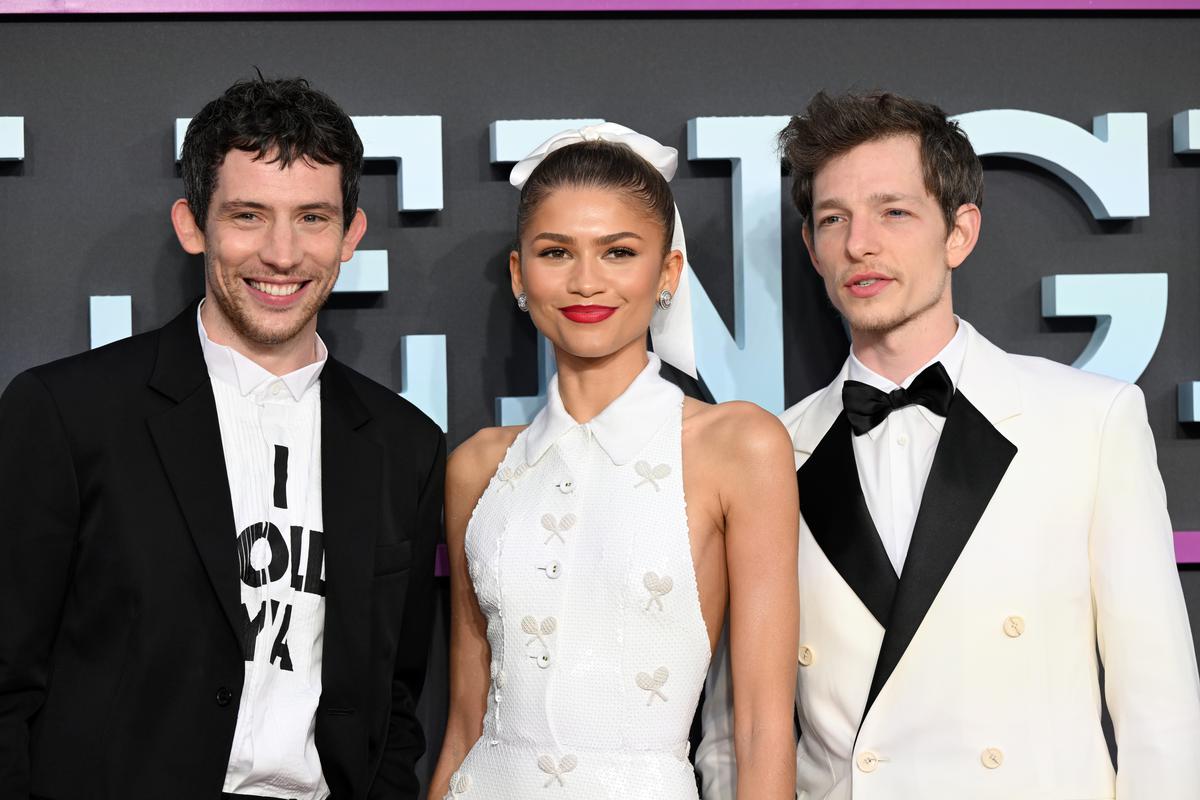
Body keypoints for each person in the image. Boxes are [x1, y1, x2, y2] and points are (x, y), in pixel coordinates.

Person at [696, 90, 1200, 799]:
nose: (859, 243)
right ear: (811, 248)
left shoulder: (1088, 421)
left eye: (893, 212)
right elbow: (730, 728)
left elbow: (1159, 708)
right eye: (833, 219)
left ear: (959, 232)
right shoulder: (767, 450)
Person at [0, 76, 445, 800]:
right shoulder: (69, 412)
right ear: (192, 224)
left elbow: (394, 702)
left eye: (312, 218)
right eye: (248, 215)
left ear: (351, 234)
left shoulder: (404, 444)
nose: (281, 253)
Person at [428, 124, 799, 800]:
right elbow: (463, 722)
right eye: (555, 252)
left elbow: (763, 729)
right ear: (520, 272)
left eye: (619, 252)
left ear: (667, 273)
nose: (586, 281)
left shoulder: (738, 446)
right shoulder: (477, 466)